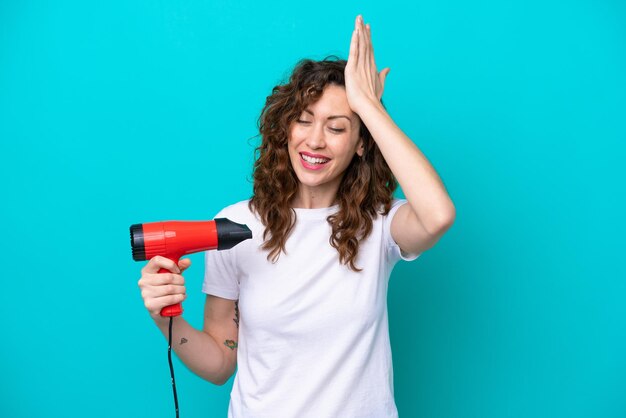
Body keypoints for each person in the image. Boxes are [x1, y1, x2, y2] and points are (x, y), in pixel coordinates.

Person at [138, 15, 455, 418]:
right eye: (303, 120)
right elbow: (220, 364)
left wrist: (369, 108)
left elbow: (439, 215)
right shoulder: (233, 228)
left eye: (337, 127)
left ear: (361, 144)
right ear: (286, 129)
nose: (315, 140)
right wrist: (165, 318)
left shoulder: (380, 224)